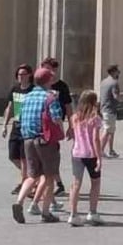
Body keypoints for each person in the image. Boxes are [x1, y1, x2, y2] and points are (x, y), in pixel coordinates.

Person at [12, 66, 65, 224]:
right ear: (49, 80)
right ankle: (46, 213)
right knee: (49, 177)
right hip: (45, 140)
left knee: (32, 176)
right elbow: (56, 118)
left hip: (27, 139)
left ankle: (19, 202)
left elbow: (20, 117)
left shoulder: (27, 97)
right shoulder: (50, 97)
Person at [66, 90, 105, 226]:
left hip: (77, 153)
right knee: (95, 182)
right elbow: (95, 139)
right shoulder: (95, 118)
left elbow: (73, 135)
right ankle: (92, 212)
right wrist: (99, 157)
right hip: (90, 154)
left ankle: (73, 214)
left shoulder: (75, 117)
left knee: (76, 184)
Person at [41, 57, 73, 198]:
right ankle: (53, 184)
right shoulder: (39, 85)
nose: (48, 72)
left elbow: (68, 106)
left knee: (49, 157)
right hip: (39, 125)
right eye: (45, 68)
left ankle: (54, 185)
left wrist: (71, 126)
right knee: (43, 157)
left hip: (54, 126)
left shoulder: (62, 86)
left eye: (50, 69)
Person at [2, 63, 35, 192]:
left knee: (23, 157)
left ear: (29, 75)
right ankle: (32, 176)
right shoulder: (15, 89)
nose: (21, 76)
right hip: (16, 126)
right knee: (12, 156)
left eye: (23, 74)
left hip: (27, 126)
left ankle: (24, 182)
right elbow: (10, 107)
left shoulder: (33, 90)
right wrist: (5, 125)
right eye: (19, 74)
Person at [98, 64, 123, 158]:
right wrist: (122, 95)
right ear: (113, 72)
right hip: (110, 110)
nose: (119, 73)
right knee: (107, 130)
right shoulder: (114, 83)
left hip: (103, 108)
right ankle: (100, 151)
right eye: (117, 71)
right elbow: (115, 96)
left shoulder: (103, 82)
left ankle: (111, 150)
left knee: (111, 130)